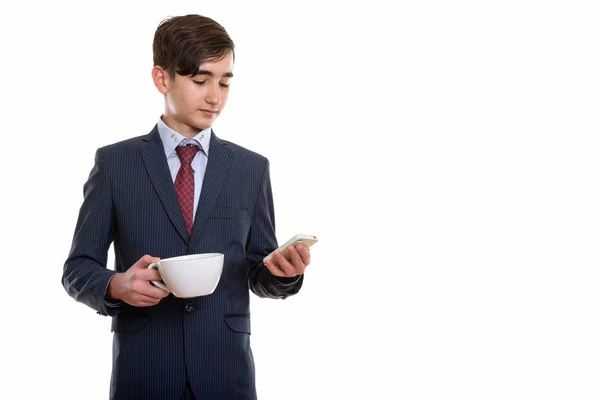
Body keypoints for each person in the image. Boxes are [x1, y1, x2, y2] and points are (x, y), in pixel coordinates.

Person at [61, 14, 311, 400]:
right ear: (162, 79)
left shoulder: (251, 168)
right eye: (200, 81)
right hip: (145, 371)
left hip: (226, 374)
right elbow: (77, 268)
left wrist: (283, 274)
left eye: (225, 81)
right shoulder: (115, 163)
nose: (215, 96)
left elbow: (258, 268)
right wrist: (117, 284)